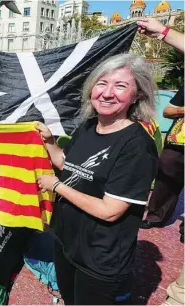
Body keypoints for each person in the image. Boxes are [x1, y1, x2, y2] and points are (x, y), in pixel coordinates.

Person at [36, 53, 158, 304]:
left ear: (137, 96)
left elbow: (110, 211)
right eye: (101, 83)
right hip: (66, 241)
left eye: (121, 85)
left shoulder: (137, 146)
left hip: (99, 257)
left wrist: (57, 186)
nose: (107, 92)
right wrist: (49, 142)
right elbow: (68, 165)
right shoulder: (88, 127)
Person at [136, 18, 185, 229]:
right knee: (166, 177)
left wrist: (163, 31)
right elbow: (168, 110)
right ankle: (155, 216)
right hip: (178, 141)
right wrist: (161, 32)